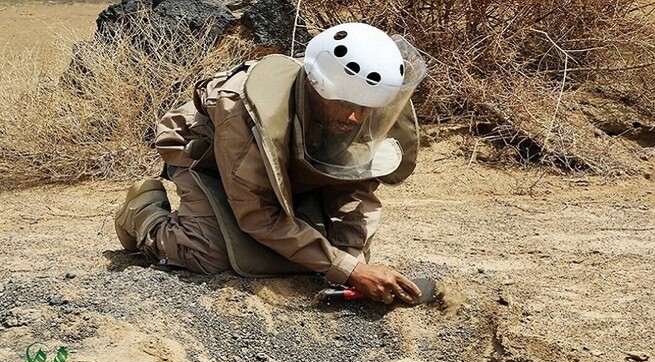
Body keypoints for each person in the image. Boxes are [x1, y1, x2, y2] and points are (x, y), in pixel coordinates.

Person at [114, 23, 427, 305]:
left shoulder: (351, 111)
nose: (356, 118)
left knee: (328, 253)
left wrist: (353, 261)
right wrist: (350, 270)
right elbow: (258, 216)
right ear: (317, 86)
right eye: (346, 104)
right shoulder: (242, 110)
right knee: (210, 253)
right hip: (210, 158)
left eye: (366, 108)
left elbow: (354, 191)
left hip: (284, 170)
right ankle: (142, 214)